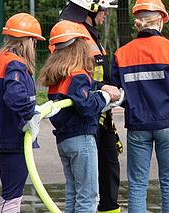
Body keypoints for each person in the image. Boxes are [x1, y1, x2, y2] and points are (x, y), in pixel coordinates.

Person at [111, 0, 169, 213]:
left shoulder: (121, 54)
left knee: (137, 185)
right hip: (168, 125)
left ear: (137, 21)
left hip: (137, 126)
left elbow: (116, 94)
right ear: (160, 20)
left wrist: (136, 104)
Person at [39, 20, 122, 213]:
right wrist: (106, 96)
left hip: (64, 140)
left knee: (73, 195)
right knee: (88, 197)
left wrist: (99, 88)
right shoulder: (77, 74)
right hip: (81, 139)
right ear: (78, 47)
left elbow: (80, 94)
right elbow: (86, 106)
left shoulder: (57, 76)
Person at [60, 0, 123, 213]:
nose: (105, 14)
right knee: (87, 192)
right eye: (104, 9)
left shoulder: (89, 35)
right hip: (85, 120)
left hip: (100, 118)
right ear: (92, 6)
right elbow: (71, 79)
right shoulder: (71, 34)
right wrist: (102, 91)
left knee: (108, 178)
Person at [0, 13, 45, 213]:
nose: (35, 46)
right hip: (12, 140)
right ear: (27, 41)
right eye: (34, 41)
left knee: (11, 196)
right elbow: (15, 96)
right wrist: (31, 115)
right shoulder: (15, 65)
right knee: (12, 199)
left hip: (0, 136)